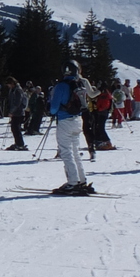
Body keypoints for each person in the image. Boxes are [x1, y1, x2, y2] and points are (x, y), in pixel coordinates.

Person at [47, 62, 93, 195]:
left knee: (67, 152)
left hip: (65, 120)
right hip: (78, 120)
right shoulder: (79, 84)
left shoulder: (61, 86)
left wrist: (51, 110)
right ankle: (81, 180)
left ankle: (73, 182)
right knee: (75, 152)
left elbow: (54, 107)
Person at [3, 77, 28, 151]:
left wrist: (12, 111)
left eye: (9, 84)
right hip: (15, 113)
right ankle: (18, 143)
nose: (8, 86)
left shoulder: (18, 90)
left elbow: (17, 102)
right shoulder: (13, 90)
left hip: (18, 112)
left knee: (16, 128)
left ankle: (20, 144)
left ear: (12, 83)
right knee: (14, 128)